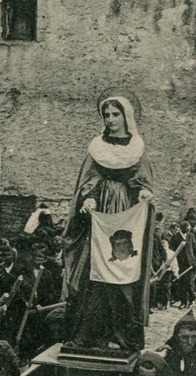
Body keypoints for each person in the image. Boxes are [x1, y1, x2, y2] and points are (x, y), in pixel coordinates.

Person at [62, 91, 154, 355]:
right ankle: (87, 335)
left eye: (116, 114)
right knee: (93, 272)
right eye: (106, 115)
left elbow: (142, 179)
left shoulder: (137, 147)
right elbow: (87, 179)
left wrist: (143, 192)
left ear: (126, 116)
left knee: (122, 269)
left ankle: (123, 335)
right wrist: (89, 197)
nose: (111, 119)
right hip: (99, 218)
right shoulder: (97, 147)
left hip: (125, 214)